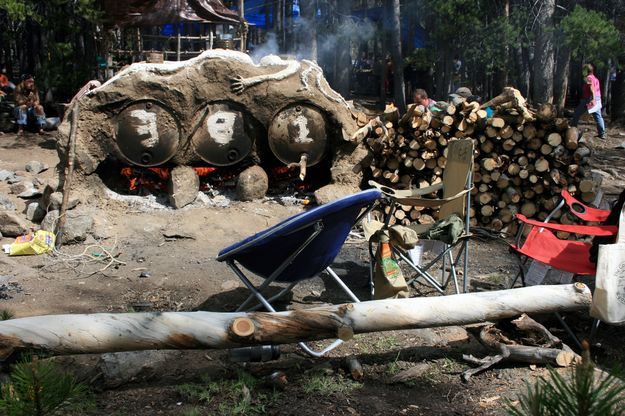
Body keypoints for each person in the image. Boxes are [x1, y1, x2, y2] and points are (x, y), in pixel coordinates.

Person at [571, 63, 606, 139]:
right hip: (597, 98)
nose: (583, 71)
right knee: (598, 116)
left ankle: (571, 129)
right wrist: (595, 99)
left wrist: (592, 99)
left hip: (589, 99)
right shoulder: (595, 78)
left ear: (587, 70)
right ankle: (602, 133)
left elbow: (592, 89)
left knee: (577, 113)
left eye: (584, 70)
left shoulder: (588, 78)